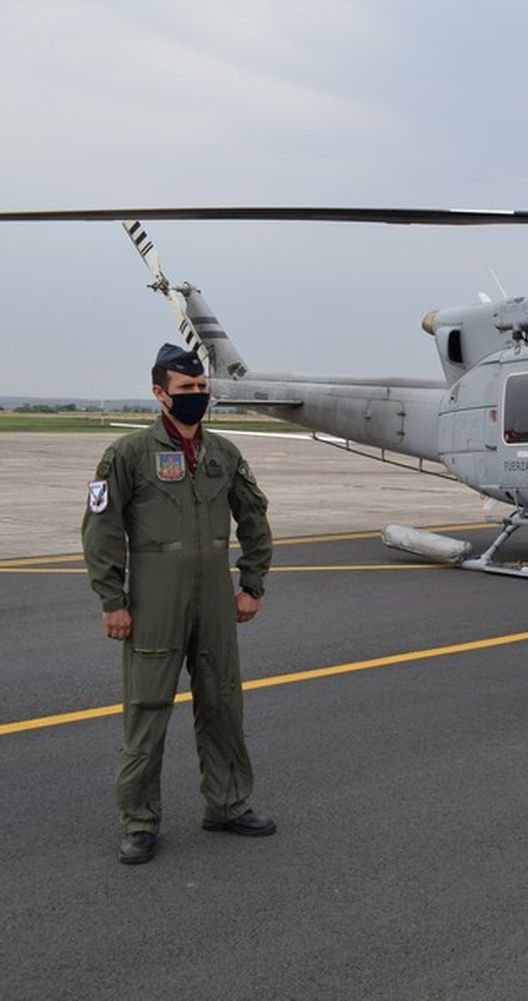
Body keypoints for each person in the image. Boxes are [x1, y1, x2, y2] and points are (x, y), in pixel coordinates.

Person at [82, 343, 275, 866]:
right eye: (185, 389)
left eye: (201, 388)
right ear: (159, 394)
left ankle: (228, 804)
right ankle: (140, 821)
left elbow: (254, 518)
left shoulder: (224, 455)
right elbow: (100, 530)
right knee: (146, 710)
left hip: (214, 598)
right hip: (153, 602)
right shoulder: (127, 455)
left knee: (223, 703)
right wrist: (112, 600)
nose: (197, 397)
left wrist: (251, 584)